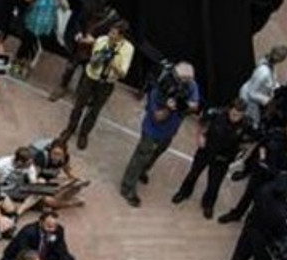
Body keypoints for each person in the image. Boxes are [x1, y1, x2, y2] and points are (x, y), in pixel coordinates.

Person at [119, 62, 201, 207]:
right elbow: (158, 117)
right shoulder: (157, 91)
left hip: (169, 132)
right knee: (141, 156)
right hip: (152, 130)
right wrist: (170, 108)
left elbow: (195, 105)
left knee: (156, 153)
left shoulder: (190, 84)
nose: (189, 83)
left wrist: (185, 105)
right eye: (185, 80)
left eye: (190, 80)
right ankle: (127, 188)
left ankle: (143, 170)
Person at [172, 100, 254, 219]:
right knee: (193, 174)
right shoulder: (217, 113)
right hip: (206, 151)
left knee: (214, 184)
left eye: (239, 115)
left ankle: (208, 204)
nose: (235, 117)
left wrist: (240, 152)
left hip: (223, 158)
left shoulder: (247, 124)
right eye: (234, 113)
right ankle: (184, 192)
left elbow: (249, 141)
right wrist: (201, 136)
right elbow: (202, 122)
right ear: (229, 109)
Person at [59, 21, 133, 150]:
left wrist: (112, 63)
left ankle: (84, 134)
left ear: (121, 36)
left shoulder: (128, 49)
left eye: (113, 33)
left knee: (94, 110)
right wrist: (99, 57)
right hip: (91, 77)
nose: (109, 35)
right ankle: (70, 129)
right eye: (110, 31)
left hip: (107, 83)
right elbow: (93, 61)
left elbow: (122, 73)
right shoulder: (101, 40)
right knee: (79, 104)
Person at [239, 46, 287, 128]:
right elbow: (252, 92)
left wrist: (279, 87)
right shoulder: (263, 73)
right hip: (249, 99)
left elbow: (271, 81)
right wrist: (267, 101)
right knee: (254, 123)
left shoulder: (269, 64)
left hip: (256, 93)